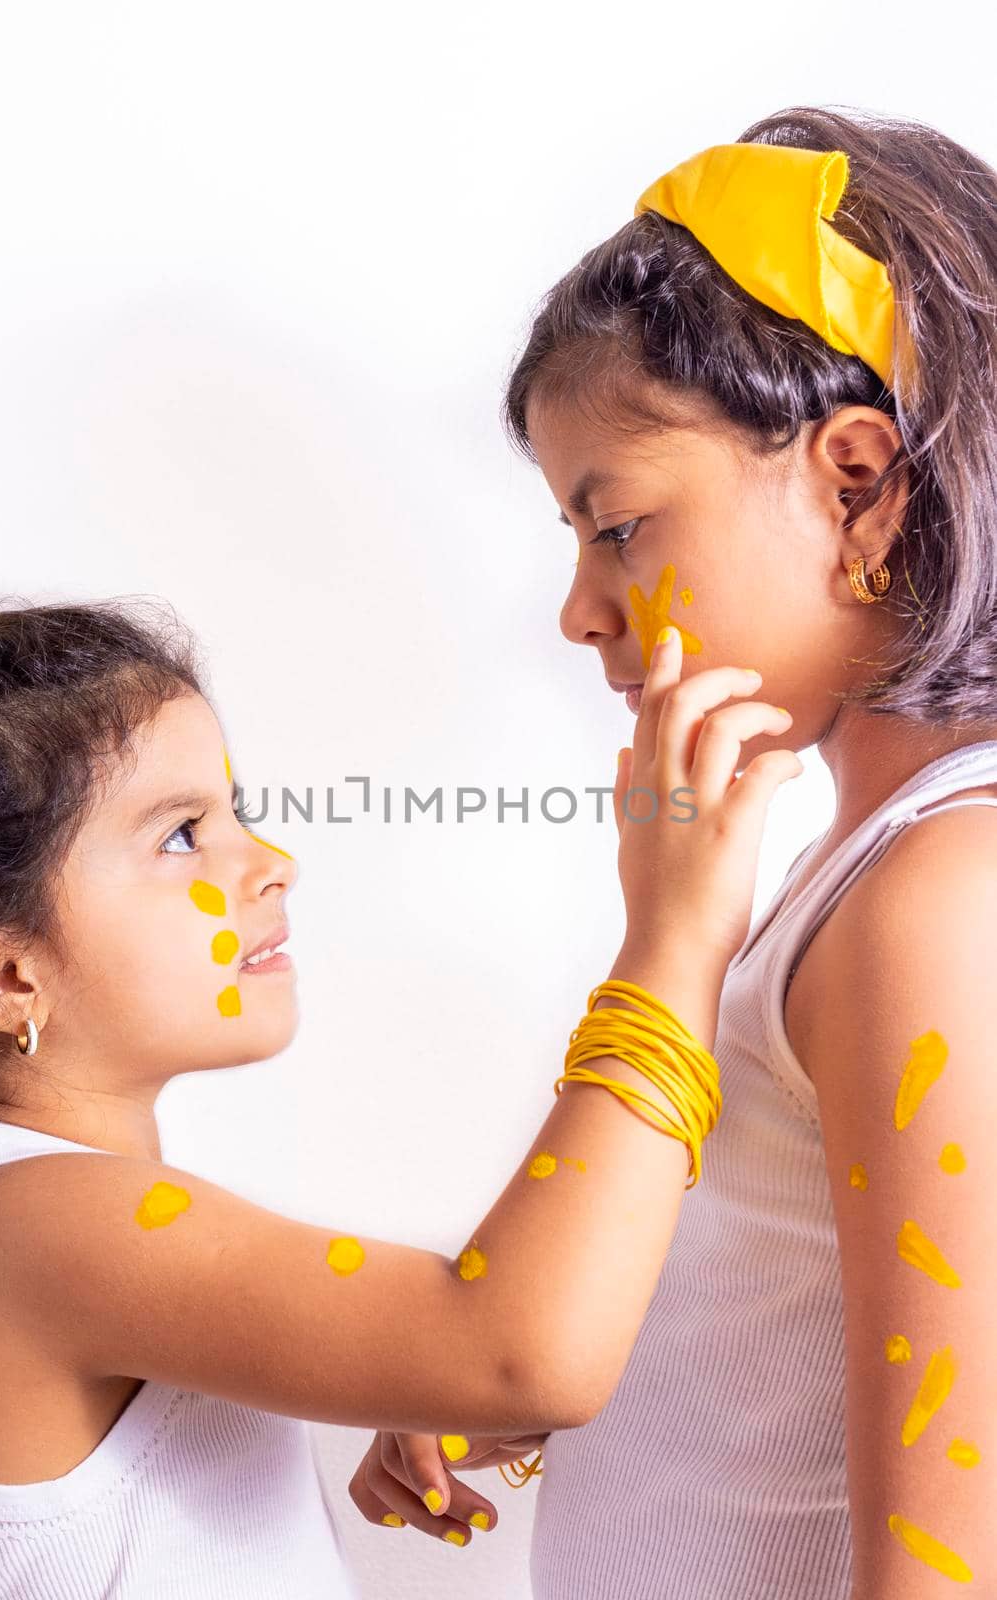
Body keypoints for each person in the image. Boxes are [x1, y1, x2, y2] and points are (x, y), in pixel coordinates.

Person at [349, 105, 997, 1597]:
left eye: (617, 528)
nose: (580, 611)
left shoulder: (933, 905)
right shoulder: (866, 882)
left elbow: (948, 1555)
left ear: (857, 487)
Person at [0, 536, 796, 1599]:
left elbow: (483, 1353)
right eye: (180, 836)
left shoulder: (33, 1215)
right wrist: (673, 943)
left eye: (233, 814)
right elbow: (520, 1350)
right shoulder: (38, 1226)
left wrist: (404, 1356)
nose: (270, 861)